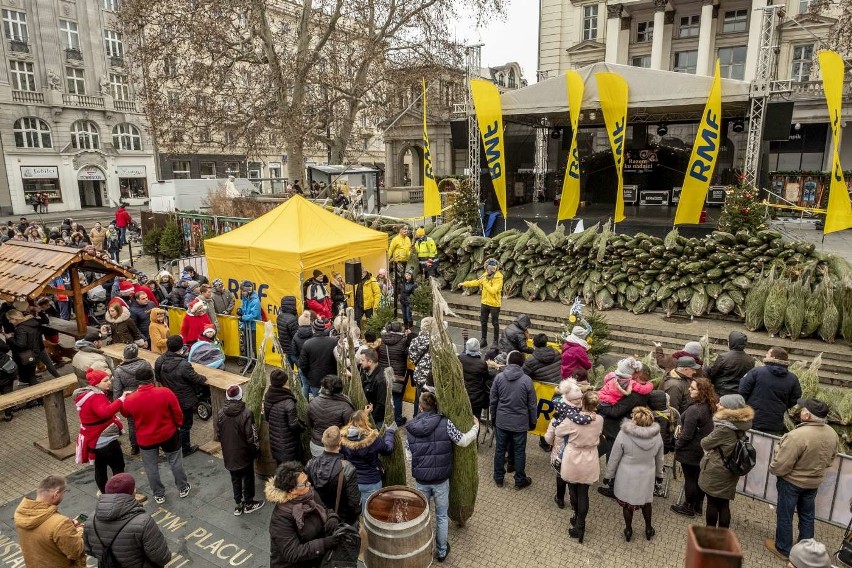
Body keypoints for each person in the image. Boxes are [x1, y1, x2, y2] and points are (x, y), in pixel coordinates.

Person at [406, 391, 478, 562]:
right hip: (441, 480)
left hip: (421, 481)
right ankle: (442, 551)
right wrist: (475, 427)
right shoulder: (446, 423)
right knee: (441, 516)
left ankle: (422, 549)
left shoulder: (411, 427)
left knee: (421, 517)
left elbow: (408, 456)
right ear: (436, 405)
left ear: (421, 407)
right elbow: (462, 441)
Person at [765, 398, 839, 561]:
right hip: (813, 482)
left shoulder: (797, 435)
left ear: (807, 416)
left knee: (785, 515)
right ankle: (807, 552)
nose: (800, 410)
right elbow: (831, 459)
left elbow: (781, 464)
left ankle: (783, 549)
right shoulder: (832, 433)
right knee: (807, 515)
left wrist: (774, 470)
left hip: (792, 482)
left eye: (803, 409)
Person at [122, 366, 191, 505]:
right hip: (168, 434)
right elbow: (177, 412)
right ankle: (183, 487)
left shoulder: (131, 399)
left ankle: (158, 494)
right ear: (152, 379)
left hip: (145, 439)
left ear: (137, 381)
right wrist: (177, 424)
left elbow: (125, 413)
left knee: (151, 467)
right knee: (175, 461)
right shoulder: (165, 392)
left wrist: (125, 398)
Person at [545, 388, 602, 543]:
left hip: (573, 457)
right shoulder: (599, 419)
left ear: (582, 403)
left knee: (573, 490)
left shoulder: (571, 420)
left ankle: (576, 518)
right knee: (584, 493)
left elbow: (559, 431)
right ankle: (580, 525)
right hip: (590, 458)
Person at [83, 473, 172, 568]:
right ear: (133, 492)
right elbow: (162, 557)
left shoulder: (91, 519)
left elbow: (88, 550)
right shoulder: (143, 522)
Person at [266, 461, 344, 568]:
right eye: (304, 483)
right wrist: (323, 544)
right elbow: (292, 553)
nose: (309, 484)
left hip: (315, 560)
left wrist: (332, 517)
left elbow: (325, 509)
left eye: (308, 480)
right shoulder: (281, 518)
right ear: (291, 490)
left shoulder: (309, 493)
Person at [604, 406, 664, 542]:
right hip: (647, 475)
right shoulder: (657, 435)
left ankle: (628, 530)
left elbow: (614, 456)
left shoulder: (624, 433)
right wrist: (659, 475)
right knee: (646, 503)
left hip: (627, 475)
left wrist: (609, 475)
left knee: (627, 505)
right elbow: (660, 458)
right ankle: (648, 528)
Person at [698, 394, 755, 528]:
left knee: (712, 503)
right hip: (730, 468)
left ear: (729, 409)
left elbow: (705, 443)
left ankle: (710, 533)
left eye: (721, 404)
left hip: (718, 469)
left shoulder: (725, 428)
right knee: (724, 504)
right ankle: (723, 535)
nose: (717, 405)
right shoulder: (740, 423)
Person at [73, 369, 128, 495]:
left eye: (109, 379)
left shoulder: (86, 395)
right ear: (96, 384)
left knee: (100, 469)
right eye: (105, 380)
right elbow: (105, 412)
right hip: (106, 441)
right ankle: (121, 494)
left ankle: (104, 493)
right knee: (118, 467)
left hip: (93, 442)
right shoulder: (96, 397)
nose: (109, 382)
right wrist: (121, 399)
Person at [14, 475, 86, 567]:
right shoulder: (60, 523)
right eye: (64, 492)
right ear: (56, 494)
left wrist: (67, 530)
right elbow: (76, 551)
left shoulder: (21, 513)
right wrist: (80, 529)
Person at [490, 351, 537, 490]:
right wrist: (533, 421)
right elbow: (532, 404)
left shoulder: (499, 378)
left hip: (502, 421)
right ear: (522, 363)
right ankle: (519, 480)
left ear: (508, 362)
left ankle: (499, 478)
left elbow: (493, 400)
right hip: (520, 423)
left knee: (500, 450)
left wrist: (494, 417)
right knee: (519, 451)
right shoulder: (527, 380)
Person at [155, 335, 208, 457]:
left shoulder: (160, 360)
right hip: (184, 399)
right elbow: (196, 378)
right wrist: (204, 378)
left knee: (173, 422)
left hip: (169, 397)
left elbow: (158, 378)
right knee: (185, 424)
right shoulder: (183, 365)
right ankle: (185, 448)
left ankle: (172, 446)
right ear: (181, 347)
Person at [216, 384, 265, 516]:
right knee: (248, 478)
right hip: (244, 454)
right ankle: (249, 503)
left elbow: (219, 434)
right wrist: (256, 452)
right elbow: (252, 437)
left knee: (235, 478)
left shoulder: (220, 412)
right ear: (240, 396)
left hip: (229, 454)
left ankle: (238, 505)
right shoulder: (247, 413)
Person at [672, 377, 717, 517]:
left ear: (701, 392)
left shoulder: (694, 410)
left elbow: (686, 435)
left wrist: (677, 446)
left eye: (693, 388)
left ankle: (688, 507)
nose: (689, 390)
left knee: (690, 479)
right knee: (698, 478)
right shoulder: (709, 405)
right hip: (702, 450)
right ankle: (698, 506)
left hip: (690, 451)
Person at [340, 410, 397, 509]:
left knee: (355, 508)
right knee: (370, 511)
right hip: (371, 481)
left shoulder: (343, 439)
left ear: (350, 421)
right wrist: (390, 433)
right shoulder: (373, 440)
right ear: (365, 421)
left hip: (352, 479)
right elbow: (388, 450)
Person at [740, 346, 802, 436]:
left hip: (753, 418)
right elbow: (796, 397)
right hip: (775, 421)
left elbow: (742, 390)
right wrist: (783, 406)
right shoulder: (792, 378)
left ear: (773, 358)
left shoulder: (757, 372)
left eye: (768, 354)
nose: (765, 355)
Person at [306, 426, 361, 526]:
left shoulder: (310, 464)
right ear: (340, 444)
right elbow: (354, 503)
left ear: (323, 441)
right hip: (341, 520)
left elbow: (308, 492)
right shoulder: (347, 468)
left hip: (319, 518)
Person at [112, 343, 150, 455]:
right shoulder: (145, 364)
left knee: (132, 423)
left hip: (130, 398)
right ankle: (148, 443)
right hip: (145, 395)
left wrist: (117, 404)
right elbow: (151, 380)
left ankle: (134, 447)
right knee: (147, 420)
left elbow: (117, 389)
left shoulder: (119, 370)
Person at [458, 258, 503, 347]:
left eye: (488, 269)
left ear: (492, 269)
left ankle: (495, 341)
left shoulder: (499, 278)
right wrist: (464, 283)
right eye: (486, 268)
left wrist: (485, 282)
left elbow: (493, 291)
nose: (486, 270)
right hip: (484, 303)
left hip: (494, 305)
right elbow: (477, 282)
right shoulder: (486, 274)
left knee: (495, 323)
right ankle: (483, 339)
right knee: (483, 321)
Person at [307, 375, 355, 457]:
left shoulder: (313, 402)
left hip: (316, 444)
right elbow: (349, 429)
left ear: (323, 387)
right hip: (335, 447)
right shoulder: (345, 407)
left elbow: (309, 424)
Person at [265, 368, 305, 465]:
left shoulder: (268, 395)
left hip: (275, 441)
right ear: (283, 383)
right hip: (288, 445)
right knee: (291, 470)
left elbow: (267, 418)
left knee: (280, 468)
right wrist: (303, 427)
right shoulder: (288, 402)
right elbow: (293, 424)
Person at [707, 331, 755, 397]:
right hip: (739, 393)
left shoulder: (723, 357)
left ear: (732, 343)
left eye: (729, 341)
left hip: (722, 391)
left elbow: (713, 373)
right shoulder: (751, 360)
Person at [299, 322, 339, 400]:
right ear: (324, 329)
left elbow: (303, 365)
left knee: (319, 401)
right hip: (331, 379)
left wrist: (309, 376)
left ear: (313, 329)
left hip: (315, 381)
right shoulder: (334, 341)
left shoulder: (308, 344)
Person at [383, 321, 411, 426]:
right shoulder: (403, 341)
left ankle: (386, 416)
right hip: (398, 374)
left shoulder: (383, 340)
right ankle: (398, 419)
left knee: (385, 395)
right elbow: (408, 353)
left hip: (384, 373)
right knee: (397, 397)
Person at [408, 317, 435, 415]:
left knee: (418, 398)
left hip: (418, 374)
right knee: (429, 402)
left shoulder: (415, 340)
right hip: (431, 378)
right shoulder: (435, 341)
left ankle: (416, 417)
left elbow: (411, 356)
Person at [459, 337, 490, 422]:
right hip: (476, 399)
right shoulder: (482, 364)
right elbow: (486, 378)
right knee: (475, 421)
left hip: (463, 396)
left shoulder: (460, 359)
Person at [358, 348, 387, 425]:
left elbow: (381, 404)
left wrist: (370, 421)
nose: (360, 362)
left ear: (370, 362)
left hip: (374, 419)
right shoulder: (366, 371)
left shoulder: (380, 380)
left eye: (362, 360)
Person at [238, 280, 261, 359]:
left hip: (253, 327)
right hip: (246, 325)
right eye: (242, 291)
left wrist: (243, 318)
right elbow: (243, 306)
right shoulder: (245, 298)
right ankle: (247, 360)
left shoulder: (256, 301)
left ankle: (254, 362)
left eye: (244, 291)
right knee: (246, 344)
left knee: (253, 345)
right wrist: (240, 310)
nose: (242, 293)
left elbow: (254, 315)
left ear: (249, 291)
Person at [277, 295, 300, 370]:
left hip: (285, 348)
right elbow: (296, 335)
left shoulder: (280, 316)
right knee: (301, 369)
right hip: (293, 349)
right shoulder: (292, 319)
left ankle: (290, 381)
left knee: (289, 369)